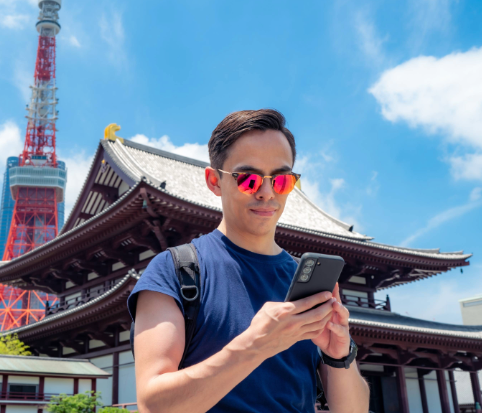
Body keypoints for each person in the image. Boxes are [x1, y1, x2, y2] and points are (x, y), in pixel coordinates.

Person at [126, 109, 370, 413]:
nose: (267, 193)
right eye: (250, 179)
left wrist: (339, 354)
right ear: (214, 181)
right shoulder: (175, 271)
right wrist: (255, 346)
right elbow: (153, 405)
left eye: (281, 180)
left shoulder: (302, 281)